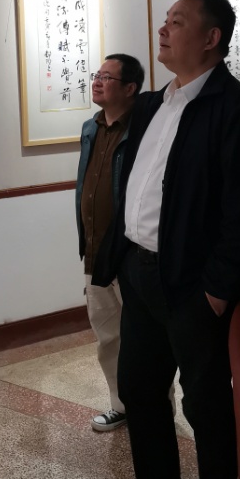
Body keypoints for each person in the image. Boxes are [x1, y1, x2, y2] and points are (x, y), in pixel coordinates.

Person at [93, 0, 240, 479]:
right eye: (165, 20)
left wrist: (217, 292)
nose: (163, 29)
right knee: (139, 387)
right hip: (140, 272)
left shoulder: (237, 111)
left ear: (211, 37)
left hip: (192, 286)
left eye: (177, 21)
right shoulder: (154, 104)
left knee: (205, 404)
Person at [76, 54, 144, 431]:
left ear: (130, 88)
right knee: (107, 336)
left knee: (144, 340)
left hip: (131, 255)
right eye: (97, 75)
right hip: (95, 251)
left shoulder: (143, 129)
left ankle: (154, 408)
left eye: (107, 77)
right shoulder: (91, 127)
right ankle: (121, 404)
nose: (97, 81)